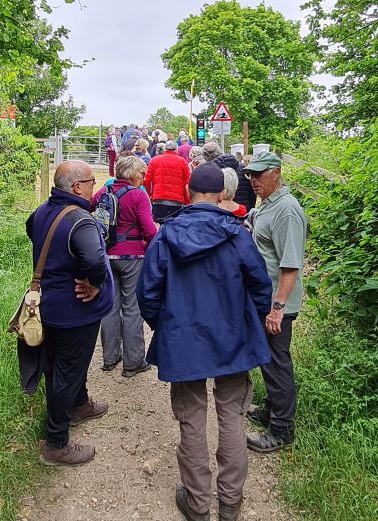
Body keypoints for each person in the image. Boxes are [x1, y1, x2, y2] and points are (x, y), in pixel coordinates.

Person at [137, 164, 272, 521]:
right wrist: (248, 321)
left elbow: (147, 292)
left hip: (184, 340)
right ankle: (230, 503)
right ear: (223, 195)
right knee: (232, 416)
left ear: (188, 191)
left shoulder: (167, 236)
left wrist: (167, 326)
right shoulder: (238, 233)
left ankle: (197, 504)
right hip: (233, 338)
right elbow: (260, 284)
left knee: (191, 417)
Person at [25, 160, 113, 466]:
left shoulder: (43, 210)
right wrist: (96, 285)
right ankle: (57, 443)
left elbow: (30, 230)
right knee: (66, 370)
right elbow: (95, 260)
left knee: (67, 364)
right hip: (76, 311)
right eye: (91, 181)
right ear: (77, 187)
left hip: (48, 305)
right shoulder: (81, 220)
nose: (95, 187)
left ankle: (79, 404)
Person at [242, 152, 308, 453]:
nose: (253, 180)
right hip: (265, 300)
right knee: (268, 361)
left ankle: (282, 430)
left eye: (259, 174)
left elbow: (291, 264)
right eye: (250, 175)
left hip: (276, 306)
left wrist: (277, 308)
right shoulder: (268, 205)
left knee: (277, 364)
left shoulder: (288, 211)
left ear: (277, 173)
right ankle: (271, 411)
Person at [90, 156, 156, 377]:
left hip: (107, 256)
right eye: (141, 173)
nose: (144, 177)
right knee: (132, 309)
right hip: (133, 257)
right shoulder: (138, 195)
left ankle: (110, 358)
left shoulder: (104, 192)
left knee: (110, 307)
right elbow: (149, 229)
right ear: (131, 174)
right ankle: (133, 362)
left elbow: (89, 208)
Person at [144, 140, 191, 223]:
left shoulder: (155, 160)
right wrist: (187, 201)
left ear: (165, 149)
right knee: (174, 226)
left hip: (159, 198)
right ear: (176, 149)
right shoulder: (182, 161)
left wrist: (149, 195)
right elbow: (187, 182)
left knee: (160, 225)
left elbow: (146, 180)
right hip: (176, 200)